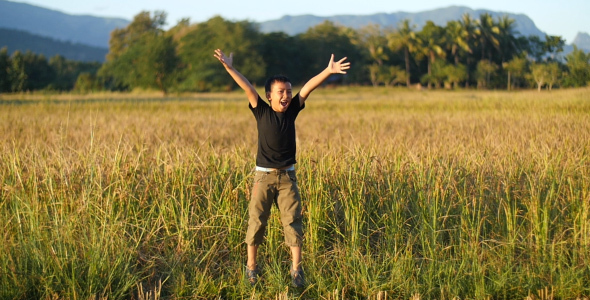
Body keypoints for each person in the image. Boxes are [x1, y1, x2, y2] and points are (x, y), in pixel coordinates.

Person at [214, 48, 350, 288]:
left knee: (293, 222)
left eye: (288, 91)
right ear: (269, 95)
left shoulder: (292, 111)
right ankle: (251, 268)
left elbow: (308, 88)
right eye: (281, 92)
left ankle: (296, 270)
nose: (286, 95)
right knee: (256, 221)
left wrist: (328, 71)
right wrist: (230, 68)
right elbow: (247, 87)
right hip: (263, 177)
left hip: (288, 177)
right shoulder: (261, 110)